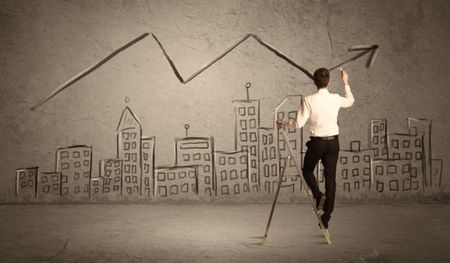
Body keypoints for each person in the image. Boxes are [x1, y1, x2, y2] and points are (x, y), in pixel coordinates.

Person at [276, 67, 354, 229]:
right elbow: (350, 101)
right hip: (333, 143)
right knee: (330, 179)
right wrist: (345, 82)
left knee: (306, 171)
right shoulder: (335, 98)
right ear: (329, 81)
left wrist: (284, 121)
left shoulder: (308, 99)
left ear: (314, 82)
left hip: (317, 143)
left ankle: (319, 197)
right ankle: (326, 216)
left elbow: (297, 124)